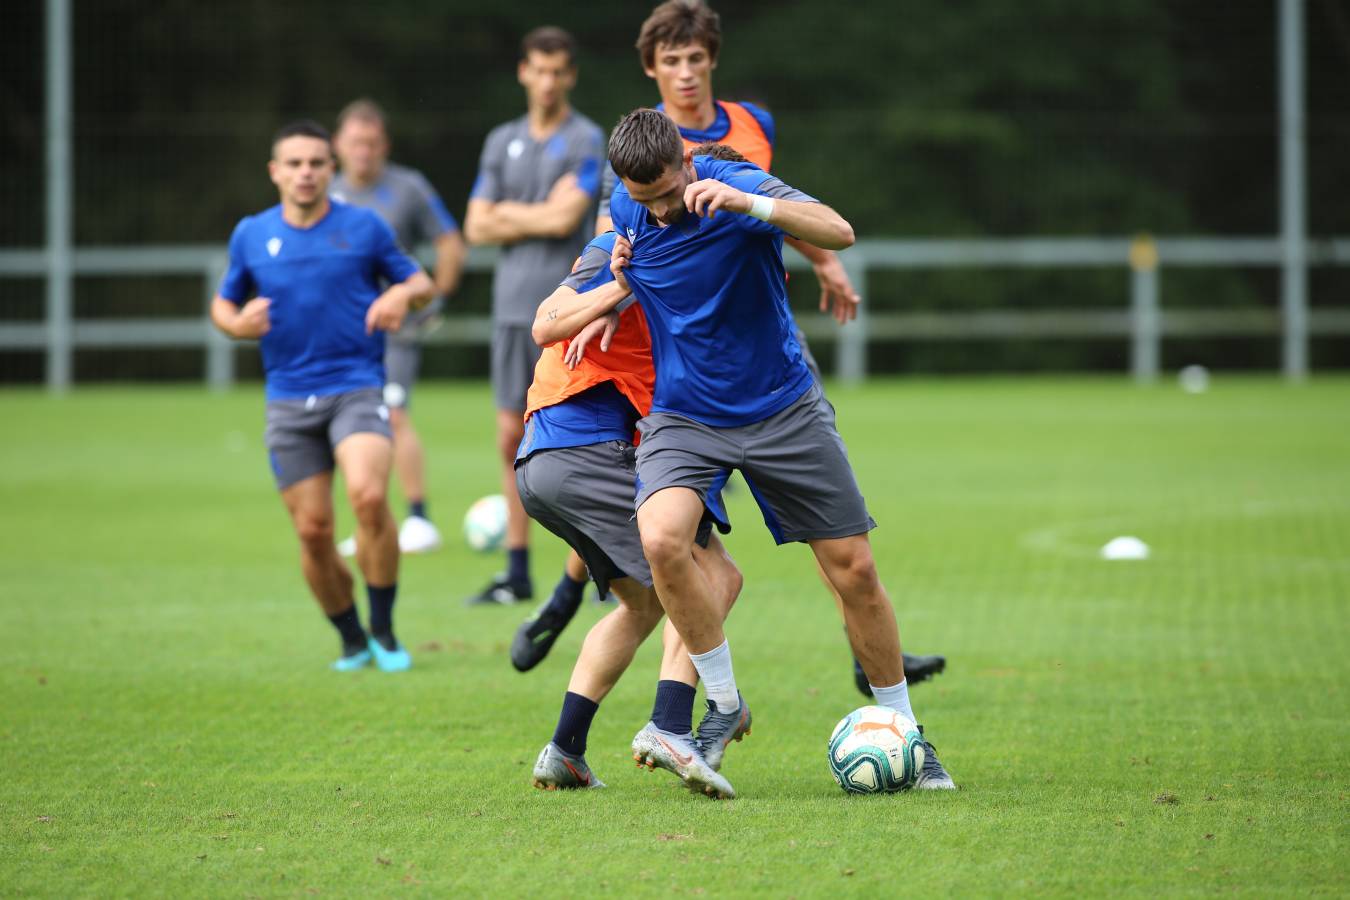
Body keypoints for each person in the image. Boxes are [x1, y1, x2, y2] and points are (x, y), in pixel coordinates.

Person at [518, 0, 947, 695]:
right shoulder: (637, 152)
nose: (685, 73)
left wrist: (822, 259)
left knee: (825, 532)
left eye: (695, 58)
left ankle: (861, 655)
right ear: (651, 70)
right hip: (681, 359)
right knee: (674, 540)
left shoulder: (750, 129)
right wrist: (605, 299)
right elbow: (617, 245)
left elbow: (782, 203)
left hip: (761, 328)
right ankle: (669, 700)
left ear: (711, 59)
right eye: (671, 61)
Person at [605, 108, 956, 790]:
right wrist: (610, 281)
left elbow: (839, 232)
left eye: (671, 195)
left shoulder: (732, 184)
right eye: (646, 202)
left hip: (780, 407)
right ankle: (724, 705)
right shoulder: (630, 203)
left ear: (686, 161)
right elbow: (613, 257)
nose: (663, 212)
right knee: (662, 539)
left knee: (853, 569)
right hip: (685, 415)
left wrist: (751, 202)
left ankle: (907, 733)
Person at [518, 231, 742, 798]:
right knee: (716, 576)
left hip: (539, 463)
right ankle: (671, 724)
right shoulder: (642, 256)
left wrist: (621, 298)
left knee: (643, 603)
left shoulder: (661, 259)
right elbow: (547, 322)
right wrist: (614, 294)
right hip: (587, 449)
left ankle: (565, 751)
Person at [210, 120, 434, 672]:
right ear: (275, 172)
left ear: (331, 169)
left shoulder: (364, 227)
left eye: (316, 162)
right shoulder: (252, 234)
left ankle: (383, 628)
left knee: (367, 496)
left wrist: (401, 296)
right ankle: (351, 637)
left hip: (356, 387)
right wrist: (237, 325)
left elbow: (421, 281)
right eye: (295, 163)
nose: (306, 172)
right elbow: (223, 304)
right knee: (313, 533)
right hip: (287, 398)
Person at [463, 26, 605, 606]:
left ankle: (604, 563)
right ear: (523, 71)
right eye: (538, 70)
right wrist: (536, 213)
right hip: (509, 310)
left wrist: (508, 215)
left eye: (558, 72)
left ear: (569, 76)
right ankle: (516, 573)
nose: (547, 82)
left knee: (585, 443)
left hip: (566, 308)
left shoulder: (586, 138)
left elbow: (562, 220)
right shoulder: (501, 141)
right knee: (508, 440)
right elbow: (474, 226)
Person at [330, 98, 466, 556]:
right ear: (338, 146)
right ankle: (369, 522)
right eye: (354, 143)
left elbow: (449, 241)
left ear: (383, 145)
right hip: (343, 333)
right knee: (351, 421)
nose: (363, 152)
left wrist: (437, 296)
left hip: (397, 328)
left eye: (371, 143)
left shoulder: (408, 187)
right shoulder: (325, 194)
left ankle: (418, 519)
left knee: (393, 414)